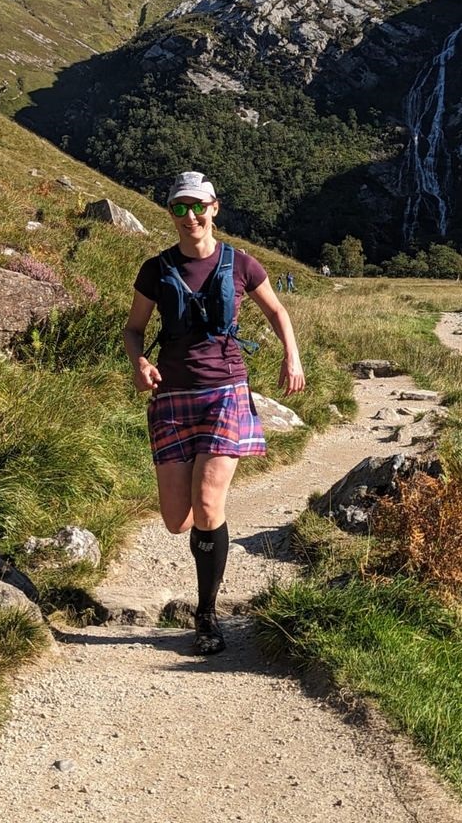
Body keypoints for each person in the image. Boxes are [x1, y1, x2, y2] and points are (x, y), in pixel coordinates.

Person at [123, 171, 306, 656]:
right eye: (179, 208)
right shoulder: (155, 269)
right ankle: (206, 591)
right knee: (176, 520)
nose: (190, 216)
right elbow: (134, 329)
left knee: (207, 505)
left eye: (197, 206)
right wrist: (139, 361)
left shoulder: (241, 264)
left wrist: (292, 356)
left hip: (226, 391)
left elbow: (277, 312)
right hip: (172, 398)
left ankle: (206, 615)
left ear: (214, 208)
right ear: (172, 214)